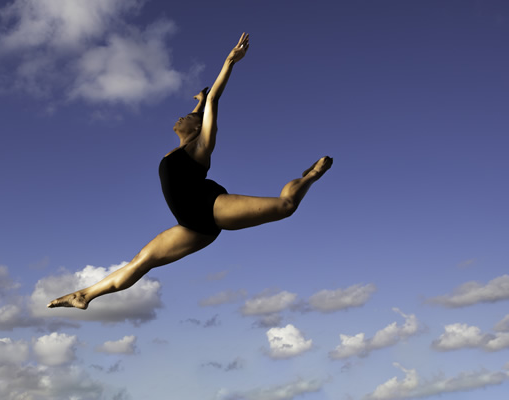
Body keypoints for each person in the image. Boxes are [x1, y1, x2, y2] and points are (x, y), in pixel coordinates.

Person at [48, 33, 332, 310]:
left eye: (191, 115)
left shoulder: (201, 148)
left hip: (210, 207)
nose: (183, 115)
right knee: (141, 261)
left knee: (286, 206)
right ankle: (84, 295)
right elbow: (199, 111)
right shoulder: (182, 145)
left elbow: (212, 103)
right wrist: (199, 100)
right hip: (191, 225)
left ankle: (309, 176)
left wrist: (229, 62)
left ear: (199, 127)